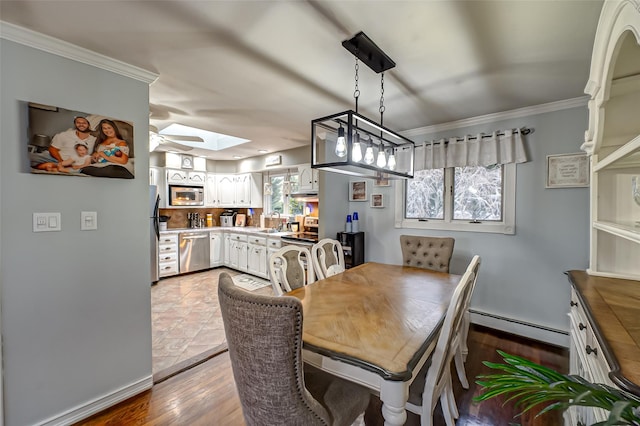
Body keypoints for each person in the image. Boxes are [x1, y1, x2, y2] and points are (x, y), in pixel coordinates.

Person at [30, 116, 96, 170]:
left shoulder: (94, 140)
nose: (81, 124)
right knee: (27, 157)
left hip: (72, 163)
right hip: (55, 158)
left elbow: (96, 153)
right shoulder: (65, 135)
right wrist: (61, 161)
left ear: (89, 125)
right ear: (75, 125)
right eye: (78, 122)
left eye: (84, 123)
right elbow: (52, 149)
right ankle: (49, 165)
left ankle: (48, 166)